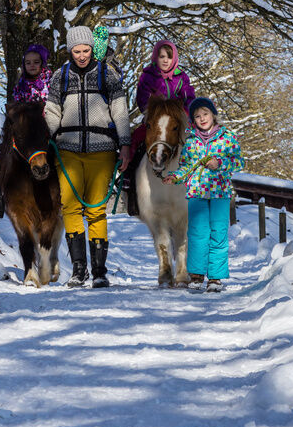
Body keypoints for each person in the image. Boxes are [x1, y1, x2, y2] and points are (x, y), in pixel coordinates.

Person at [45, 26, 131, 288]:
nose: (82, 55)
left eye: (86, 50)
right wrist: (47, 140)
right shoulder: (60, 76)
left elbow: (120, 112)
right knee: (70, 207)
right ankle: (78, 269)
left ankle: (99, 271)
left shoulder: (107, 75)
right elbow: (52, 112)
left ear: (93, 49)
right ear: (69, 51)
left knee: (95, 208)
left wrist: (125, 144)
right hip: (67, 149)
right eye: (77, 51)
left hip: (102, 149)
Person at [162, 97, 243, 292]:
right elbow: (186, 167)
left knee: (218, 234)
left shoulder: (227, 137)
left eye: (205, 114)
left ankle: (215, 277)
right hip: (196, 193)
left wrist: (220, 163)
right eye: (197, 116)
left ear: (213, 114)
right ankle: (197, 275)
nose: (202, 118)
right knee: (197, 234)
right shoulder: (191, 141)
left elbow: (238, 162)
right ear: (193, 120)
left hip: (220, 194)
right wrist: (175, 177)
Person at [125, 39, 196, 216]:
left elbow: (189, 98)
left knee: (193, 143)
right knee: (137, 138)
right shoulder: (148, 75)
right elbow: (142, 97)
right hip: (155, 118)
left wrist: (184, 111)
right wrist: (153, 106)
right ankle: (129, 178)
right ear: (155, 57)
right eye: (161, 56)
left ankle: (198, 183)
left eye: (169, 57)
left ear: (174, 59)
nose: (165, 60)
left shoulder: (181, 77)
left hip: (176, 121)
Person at [0, 44, 52, 199]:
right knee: (7, 144)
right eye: (28, 62)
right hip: (25, 126)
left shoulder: (49, 81)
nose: (32, 65)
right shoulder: (21, 84)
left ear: (43, 63)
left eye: (36, 62)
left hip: (46, 124)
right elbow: (17, 103)